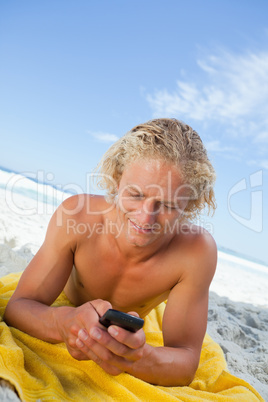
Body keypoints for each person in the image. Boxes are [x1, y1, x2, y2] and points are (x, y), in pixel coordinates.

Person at [4, 118, 217, 386]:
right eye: (136, 195)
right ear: (117, 180)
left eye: (167, 205)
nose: (146, 217)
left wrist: (139, 355)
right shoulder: (77, 217)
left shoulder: (196, 252)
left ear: (190, 204)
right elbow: (18, 308)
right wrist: (63, 322)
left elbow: (186, 361)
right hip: (67, 305)